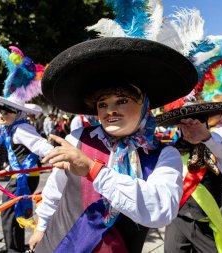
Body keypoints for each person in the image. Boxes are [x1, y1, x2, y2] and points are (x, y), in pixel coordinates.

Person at [29, 37, 197, 252]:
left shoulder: (164, 155)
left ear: (145, 105)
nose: (110, 111)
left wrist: (94, 170)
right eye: (103, 104)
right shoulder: (78, 139)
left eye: (122, 101)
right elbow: (55, 190)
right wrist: (41, 228)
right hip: (59, 244)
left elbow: (161, 211)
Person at [0, 45, 54, 253]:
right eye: (0, 111)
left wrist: (56, 156)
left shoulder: (21, 128)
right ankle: (14, 247)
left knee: (9, 211)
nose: (1, 115)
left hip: (25, 176)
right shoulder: (14, 128)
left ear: (16, 112)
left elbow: (40, 145)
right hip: (21, 174)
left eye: (6, 111)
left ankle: (14, 250)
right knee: (11, 211)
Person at [161, 97, 222, 253]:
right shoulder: (172, 150)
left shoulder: (218, 146)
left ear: (205, 121)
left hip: (207, 223)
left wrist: (204, 137)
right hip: (177, 219)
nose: (190, 127)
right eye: (185, 123)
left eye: (196, 121)